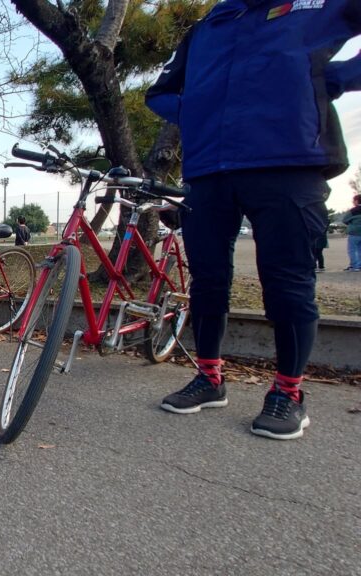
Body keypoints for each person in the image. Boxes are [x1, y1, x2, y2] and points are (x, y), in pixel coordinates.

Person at [145, 0, 360, 440]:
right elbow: (160, 93)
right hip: (208, 171)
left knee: (286, 282)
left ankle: (289, 393)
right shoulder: (209, 26)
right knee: (207, 280)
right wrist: (196, 110)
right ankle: (209, 377)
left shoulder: (315, 6)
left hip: (289, 162)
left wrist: (332, 78)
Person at [344, 194, 361, 271]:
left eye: (353, 201)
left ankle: (354, 266)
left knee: (352, 250)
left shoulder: (353, 210)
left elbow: (344, 220)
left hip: (354, 232)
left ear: (356, 201)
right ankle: (360, 265)